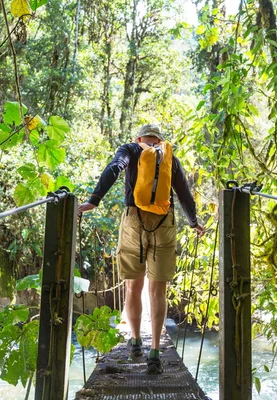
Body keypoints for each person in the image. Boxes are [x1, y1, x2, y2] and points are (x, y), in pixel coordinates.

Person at [78, 124, 204, 374]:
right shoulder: (169, 157)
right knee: (158, 290)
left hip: (134, 220)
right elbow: (183, 193)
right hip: (164, 222)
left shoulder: (131, 149)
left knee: (133, 286)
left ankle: (135, 341)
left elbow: (114, 168)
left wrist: (94, 200)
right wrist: (193, 222)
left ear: (139, 138)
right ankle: (155, 351)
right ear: (159, 139)